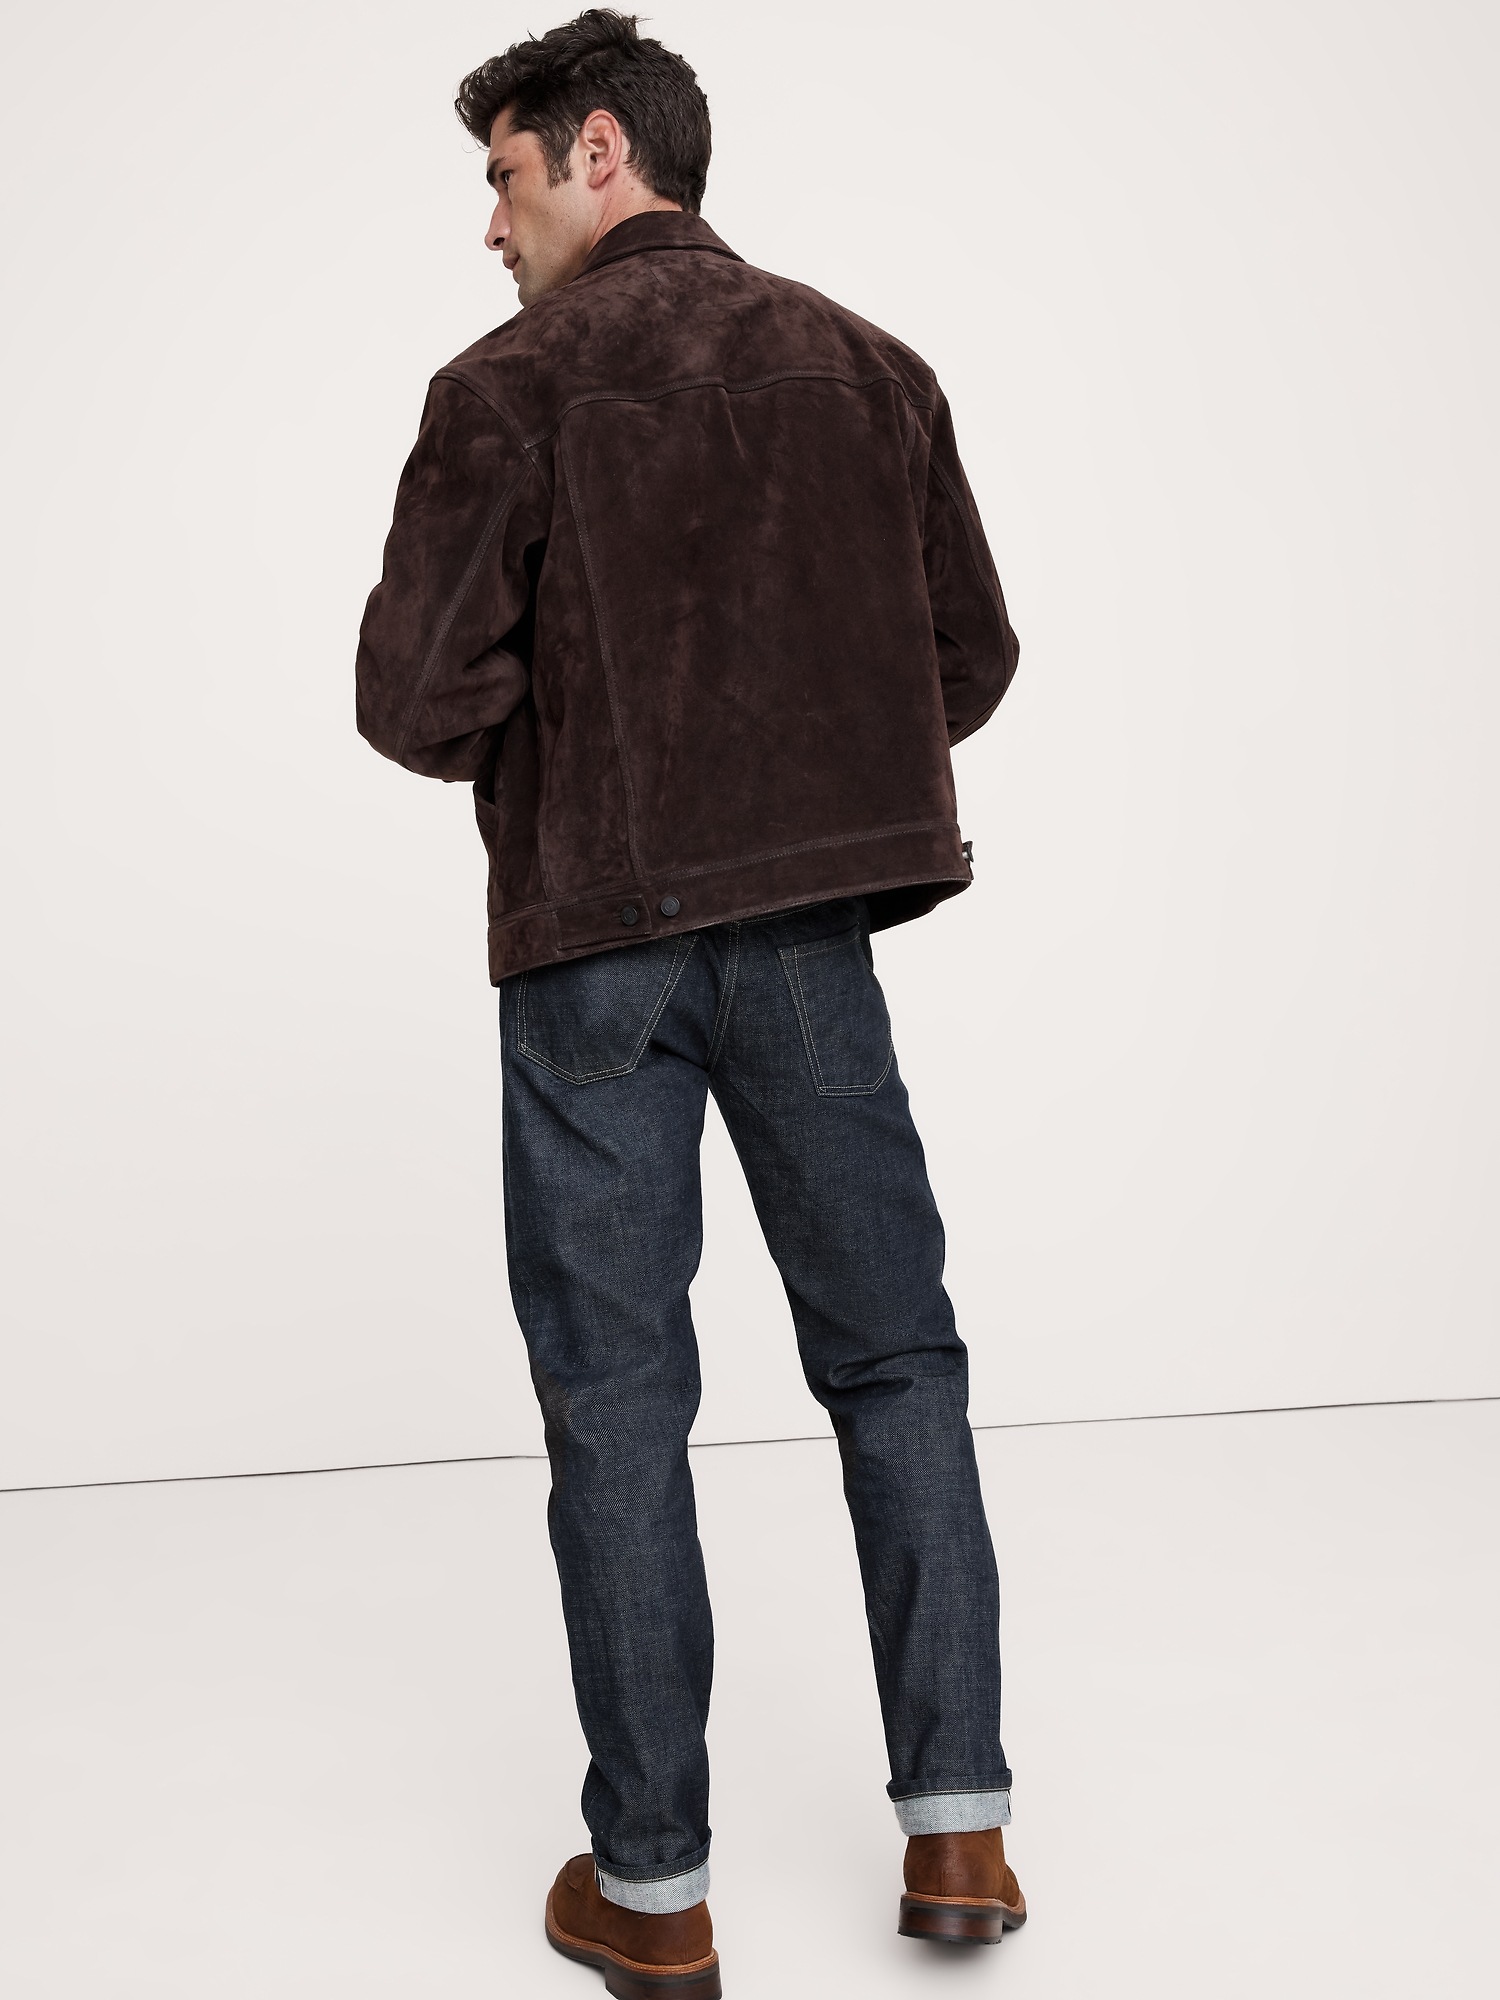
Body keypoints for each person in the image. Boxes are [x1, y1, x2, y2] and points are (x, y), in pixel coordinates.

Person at [356, 11, 1024, 1993]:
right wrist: (805, 754)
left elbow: (414, 701)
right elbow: (969, 658)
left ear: (598, 149)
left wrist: (578, 736)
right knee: (896, 1365)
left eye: (502, 175)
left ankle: (654, 1898)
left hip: (596, 950)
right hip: (811, 940)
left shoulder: (506, 389)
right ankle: (962, 1829)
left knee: (621, 1407)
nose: (488, 225)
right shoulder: (871, 368)